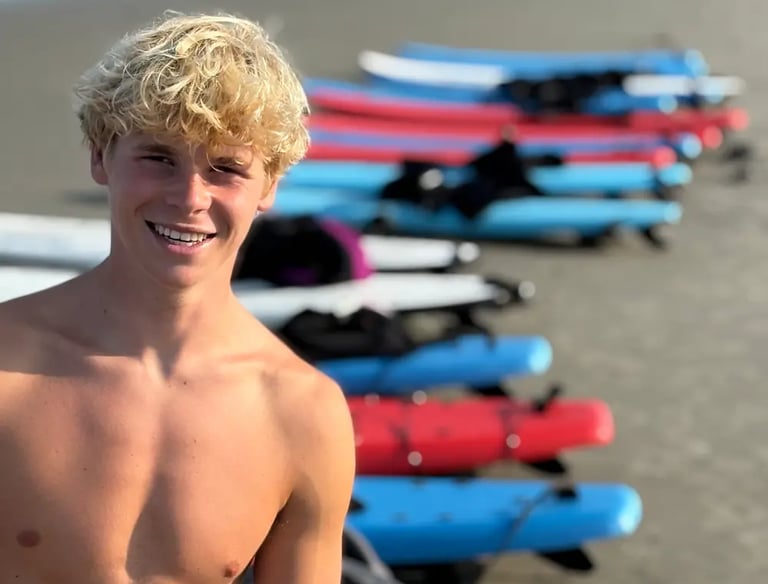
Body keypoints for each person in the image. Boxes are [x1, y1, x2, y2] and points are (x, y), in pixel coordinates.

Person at [0, 10, 356, 583]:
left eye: (226, 168)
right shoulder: (7, 366)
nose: (189, 197)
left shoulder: (302, 414)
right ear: (100, 155)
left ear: (269, 185)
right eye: (158, 157)